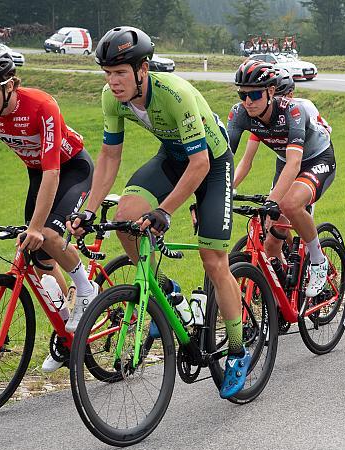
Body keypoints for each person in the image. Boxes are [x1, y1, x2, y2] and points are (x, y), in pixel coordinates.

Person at [66, 26, 249, 399]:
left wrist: (165, 210)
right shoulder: (111, 99)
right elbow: (108, 157)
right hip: (172, 157)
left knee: (215, 262)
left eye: (120, 73)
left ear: (142, 70)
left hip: (212, 165)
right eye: (107, 73)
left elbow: (199, 164)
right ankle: (164, 291)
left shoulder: (174, 94)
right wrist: (86, 210)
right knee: (127, 217)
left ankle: (237, 348)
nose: (113, 82)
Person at [0, 47, 97, 372]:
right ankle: (67, 334)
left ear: (10, 85)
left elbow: (53, 171)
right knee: (38, 258)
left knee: (44, 234)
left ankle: (86, 289)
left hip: (70, 169)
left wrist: (37, 226)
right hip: (37, 172)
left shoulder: (41, 106)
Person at [227, 60, 335, 297]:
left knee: (288, 204)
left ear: (271, 91)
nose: (248, 101)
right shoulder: (240, 113)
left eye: (254, 94)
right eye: (242, 94)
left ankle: (318, 261)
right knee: (271, 238)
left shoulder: (293, 110)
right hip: (286, 162)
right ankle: (280, 296)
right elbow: (223, 159)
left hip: (316, 159)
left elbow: (296, 162)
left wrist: (272, 201)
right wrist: (218, 193)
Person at [234, 69, 330, 189]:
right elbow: (247, 159)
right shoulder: (261, 116)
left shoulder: (304, 107)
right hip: (285, 159)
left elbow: (324, 132)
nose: (276, 103)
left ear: (290, 95)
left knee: (295, 202)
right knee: (274, 204)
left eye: (279, 96)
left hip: (314, 157)